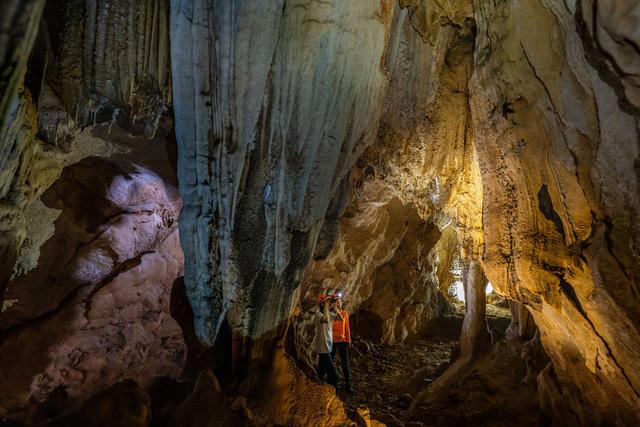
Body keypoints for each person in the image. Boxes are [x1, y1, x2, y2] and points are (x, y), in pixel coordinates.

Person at [315, 293, 343, 389]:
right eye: (326, 301)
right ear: (322, 304)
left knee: (321, 368)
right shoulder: (318, 314)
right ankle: (334, 389)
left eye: (328, 301)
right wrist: (327, 307)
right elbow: (325, 320)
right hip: (323, 346)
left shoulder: (329, 313)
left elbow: (340, 319)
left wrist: (335, 307)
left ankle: (318, 383)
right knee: (331, 370)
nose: (328, 303)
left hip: (328, 345)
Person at [331, 291, 353, 393]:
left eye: (340, 302)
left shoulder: (344, 313)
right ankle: (331, 382)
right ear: (333, 303)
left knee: (345, 363)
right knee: (330, 362)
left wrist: (348, 340)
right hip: (332, 341)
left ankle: (348, 384)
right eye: (337, 302)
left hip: (342, 340)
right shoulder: (330, 314)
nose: (339, 303)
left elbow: (347, 328)